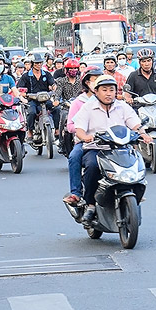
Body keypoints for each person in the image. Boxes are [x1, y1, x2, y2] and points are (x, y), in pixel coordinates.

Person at [72, 74, 153, 223]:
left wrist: (143, 134)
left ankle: (135, 194)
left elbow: (135, 124)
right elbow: (79, 129)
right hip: (96, 148)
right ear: (96, 91)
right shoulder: (88, 107)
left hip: (121, 148)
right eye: (104, 90)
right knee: (92, 166)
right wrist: (85, 137)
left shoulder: (122, 106)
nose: (108, 93)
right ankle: (90, 204)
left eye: (111, 90)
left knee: (137, 163)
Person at [62, 68, 100, 207]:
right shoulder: (79, 102)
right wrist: (84, 134)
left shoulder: (107, 100)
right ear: (86, 82)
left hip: (108, 141)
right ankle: (76, 193)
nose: (97, 82)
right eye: (93, 79)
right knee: (74, 157)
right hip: (84, 141)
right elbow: (70, 125)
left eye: (99, 78)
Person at [17, 56, 59, 140]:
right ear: (32, 64)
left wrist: (54, 88)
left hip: (45, 99)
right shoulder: (26, 76)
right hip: (32, 100)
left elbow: (53, 84)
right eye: (36, 63)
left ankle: (57, 130)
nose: (39, 64)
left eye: (40, 63)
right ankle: (30, 131)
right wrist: (24, 94)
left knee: (57, 109)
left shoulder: (46, 74)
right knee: (31, 113)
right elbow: (19, 89)